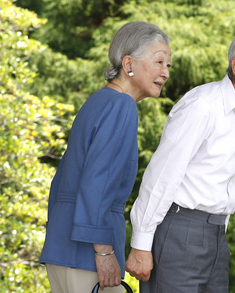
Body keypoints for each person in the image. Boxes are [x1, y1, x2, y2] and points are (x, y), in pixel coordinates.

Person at [125, 25, 235, 293]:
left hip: (216, 237)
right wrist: (141, 244)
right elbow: (162, 175)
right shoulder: (203, 105)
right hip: (180, 233)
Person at [39, 21, 171, 293]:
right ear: (128, 64)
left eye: (168, 65)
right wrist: (103, 252)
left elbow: (63, 181)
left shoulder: (98, 101)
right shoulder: (122, 106)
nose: (165, 72)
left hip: (62, 249)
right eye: (159, 62)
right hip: (88, 255)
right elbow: (97, 183)